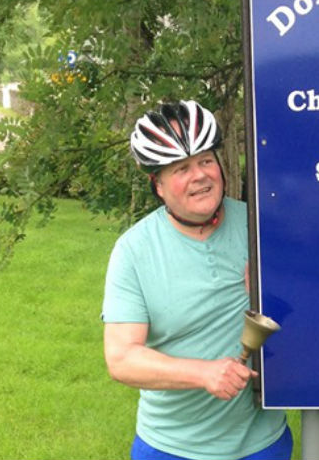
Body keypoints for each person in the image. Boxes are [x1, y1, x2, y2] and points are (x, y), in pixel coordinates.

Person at [101, 100, 291, 460]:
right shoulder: (134, 251)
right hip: (171, 447)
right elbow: (122, 358)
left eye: (205, 161)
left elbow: (309, 318)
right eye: (182, 169)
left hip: (262, 444)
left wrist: (268, 296)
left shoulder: (260, 226)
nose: (200, 175)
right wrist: (203, 373)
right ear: (157, 185)